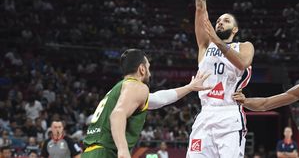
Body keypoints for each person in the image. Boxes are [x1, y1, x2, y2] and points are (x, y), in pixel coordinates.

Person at [82, 49, 211, 158]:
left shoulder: (119, 89)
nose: (149, 72)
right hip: (107, 152)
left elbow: (159, 99)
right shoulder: (137, 86)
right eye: (148, 67)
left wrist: (190, 87)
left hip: (90, 152)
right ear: (142, 69)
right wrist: (123, 150)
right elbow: (117, 114)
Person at [187, 0, 255, 158]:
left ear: (235, 28)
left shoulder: (244, 46)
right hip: (205, 113)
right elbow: (200, 8)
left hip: (229, 114)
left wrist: (217, 40)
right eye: (218, 20)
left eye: (225, 21)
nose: (220, 22)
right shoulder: (205, 45)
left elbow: (243, 63)